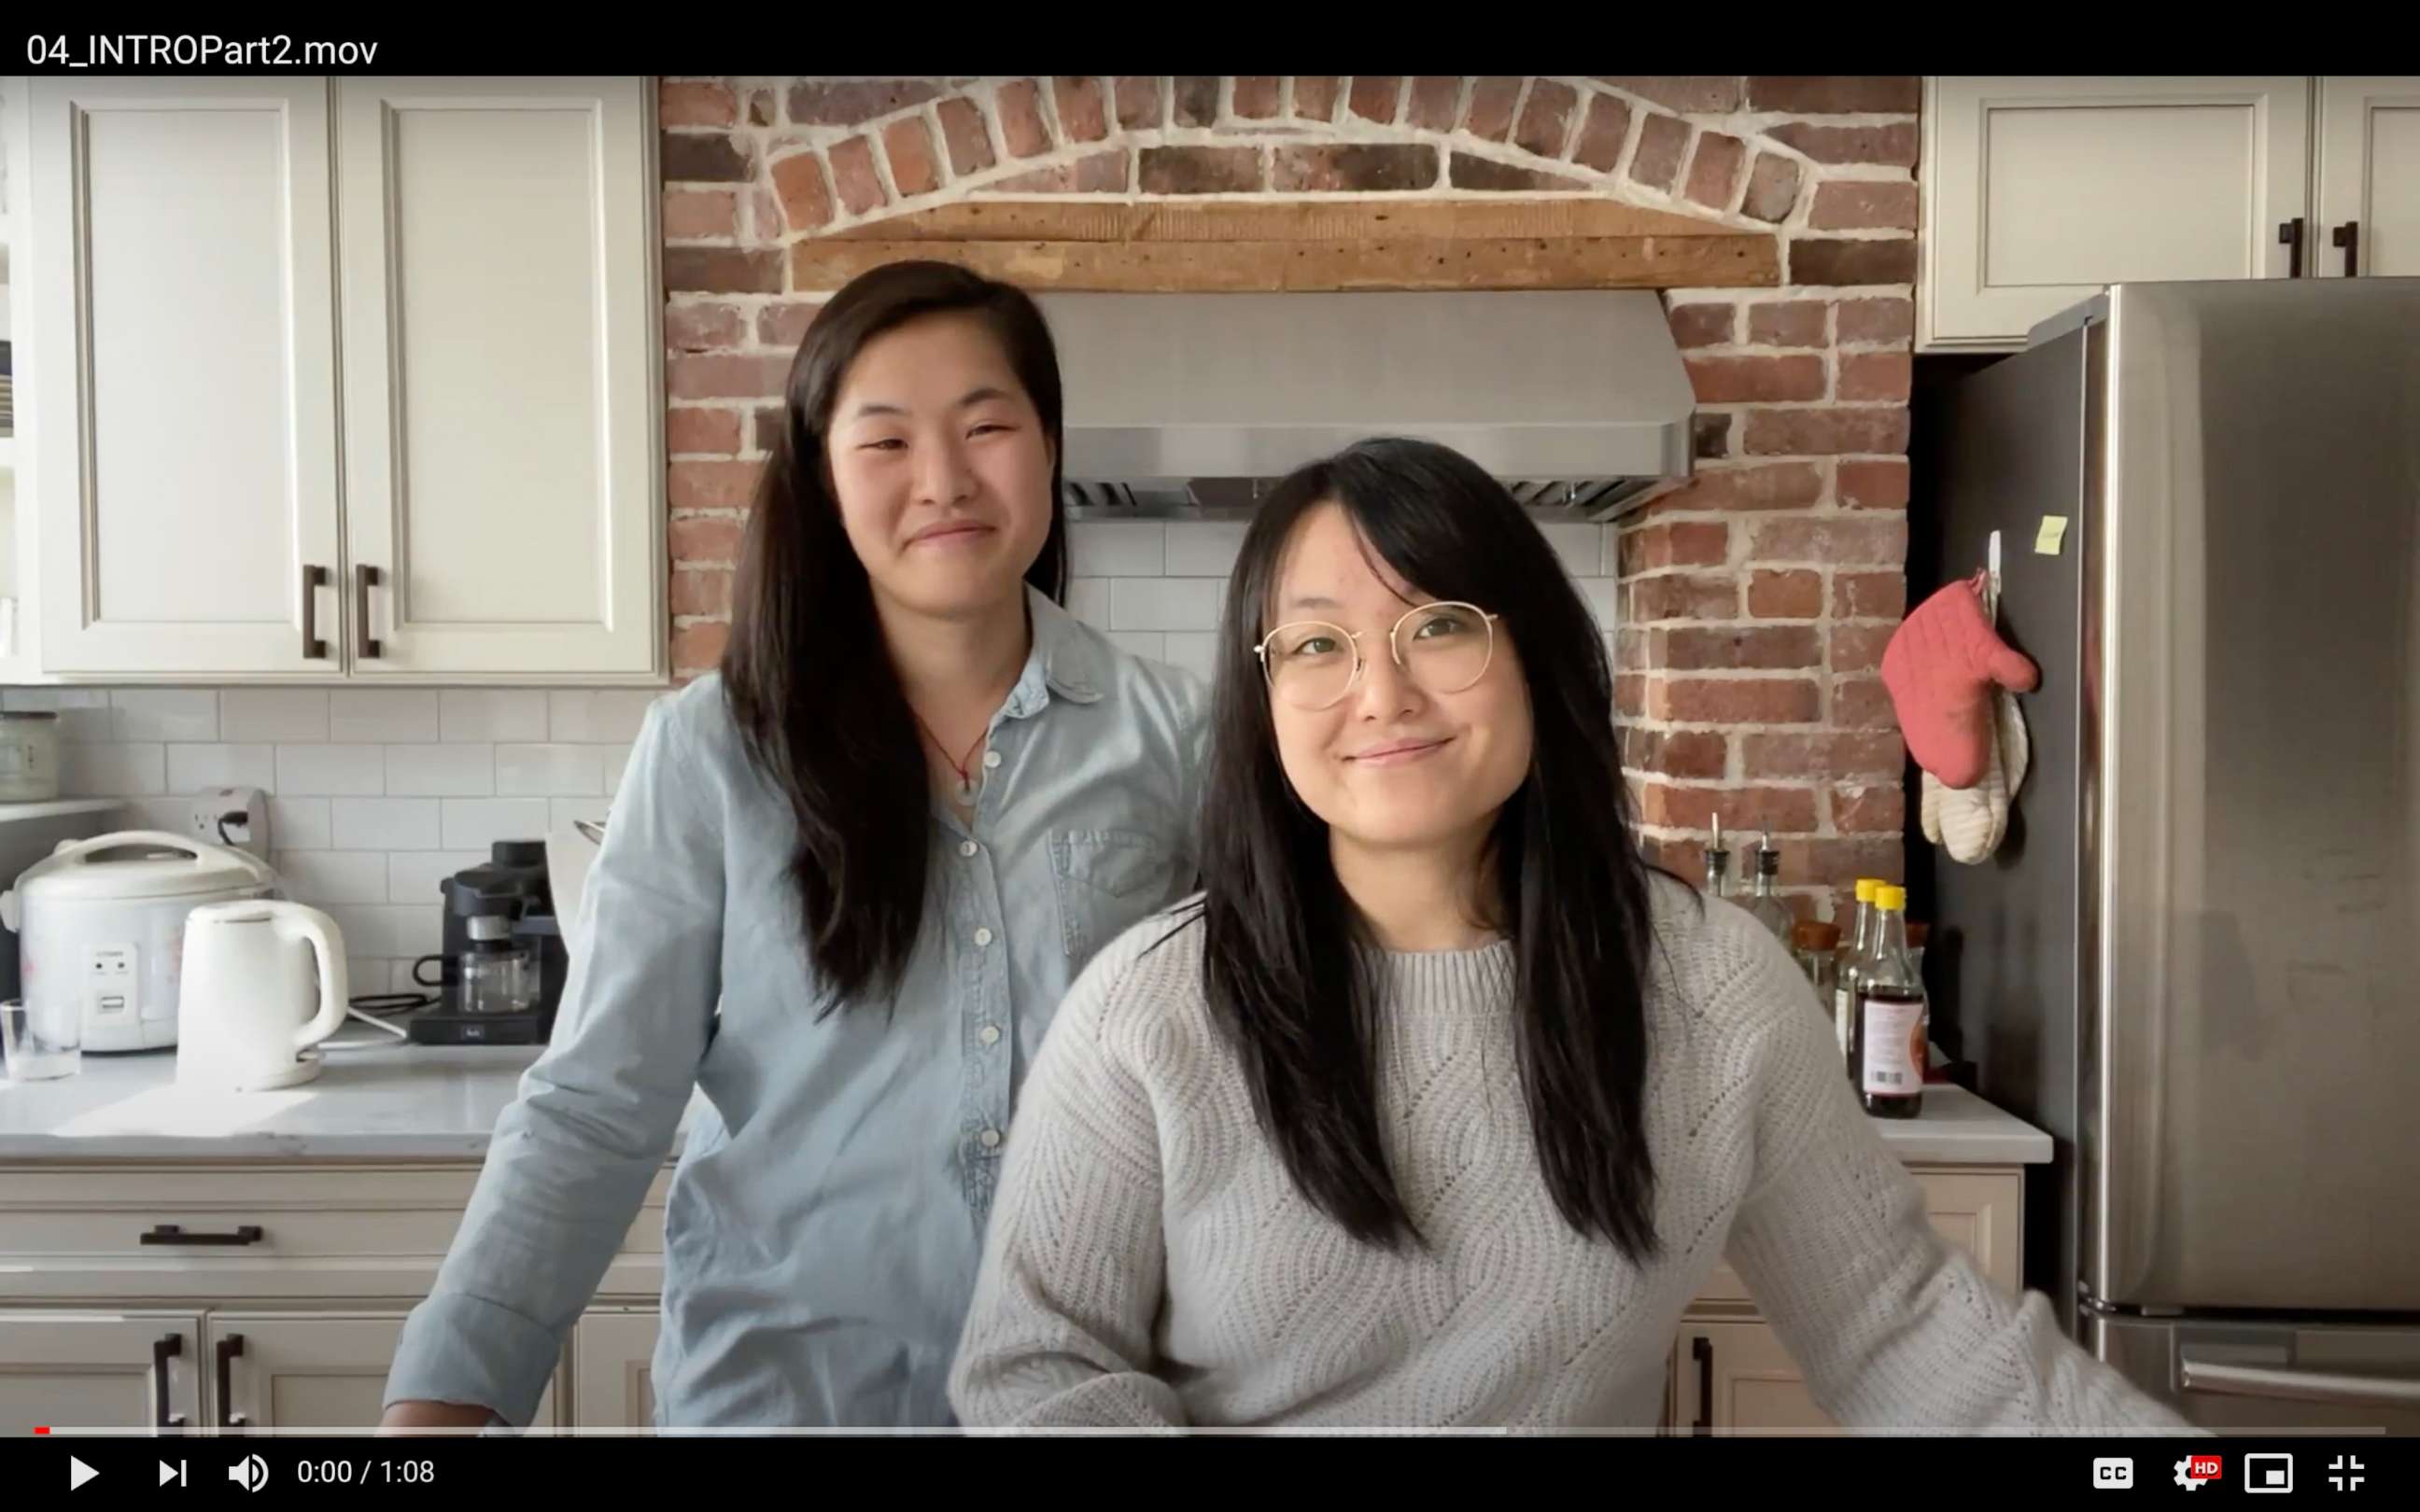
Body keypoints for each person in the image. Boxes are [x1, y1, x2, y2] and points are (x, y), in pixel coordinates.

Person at [946, 437, 2191, 1432]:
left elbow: (1903, 1328)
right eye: (1317, 644)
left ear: (1539, 656)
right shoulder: (1154, 1010)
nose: (1380, 693)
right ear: (1263, 701)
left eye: (1440, 624)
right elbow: (1037, 1373)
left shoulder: (1708, 987)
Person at [379, 260, 1207, 1430]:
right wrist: (449, 1392)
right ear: (822, 475)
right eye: (885, 443)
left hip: (1096, 1404)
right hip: (781, 1404)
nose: (945, 481)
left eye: (988, 427)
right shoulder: (709, 751)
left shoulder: (1178, 737)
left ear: (1051, 447)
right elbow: (596, 1108)